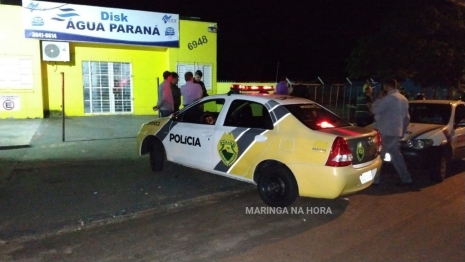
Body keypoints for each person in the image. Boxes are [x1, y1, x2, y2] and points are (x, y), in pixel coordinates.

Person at [371, 78, 413, 186]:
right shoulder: (404, 99)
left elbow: (374, 110)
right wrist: (402, 130)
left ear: (386, 86)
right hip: (396, 132)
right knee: (396, 155)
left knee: (380, 155)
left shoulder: (389, 99)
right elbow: (407, 118)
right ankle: (406, 178)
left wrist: (378, 99)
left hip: (385, 131)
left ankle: (375, 180)